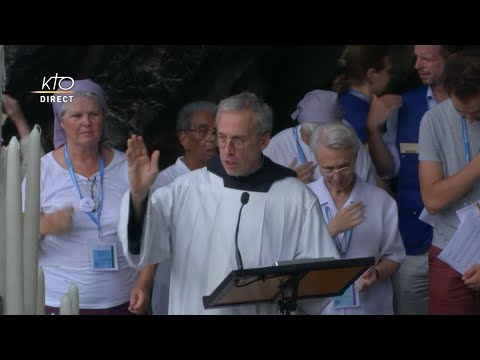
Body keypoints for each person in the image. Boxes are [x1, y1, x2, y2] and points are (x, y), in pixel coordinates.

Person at [117, 91, 340, 315]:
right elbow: (145, 248)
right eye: (221, 137)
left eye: (238, 139)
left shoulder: (294, 196)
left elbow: (317, 278)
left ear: (264, 140)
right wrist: (138, 196)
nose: (227, 149)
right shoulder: (186, 189)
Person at [31, 79, 155, 315]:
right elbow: (13, 231)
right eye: (76, 115)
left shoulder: (128, 166)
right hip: (58, 302)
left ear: (103, 118)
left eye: (94, 114)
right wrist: (43, 224)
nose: (86, 122)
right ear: (62, 123)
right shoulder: (42, 171)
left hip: (123, 300)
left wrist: (145, 282)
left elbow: (155, 230)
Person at [366, 45, 463, 315]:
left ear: (452, 58)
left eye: (428, 58)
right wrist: (373, 130)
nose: (418, 65)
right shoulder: (403, 104)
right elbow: (389, 169)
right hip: (413, 240)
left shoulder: (472, 104)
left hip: (463, 241)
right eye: (416, 57)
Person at [307, 121, 405, 314]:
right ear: (317, 161)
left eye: (344, 167)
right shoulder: (303, 199)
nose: (336, 176)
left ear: (355, 157)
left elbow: (394, 256)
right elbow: (291, 257)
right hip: (321, 307)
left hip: (369, 305)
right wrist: (331, 230)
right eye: (327, 169)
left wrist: (376, 272)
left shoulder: (380, 201)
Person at [419, 49, 480, 314]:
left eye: (477, 113)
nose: (468, 119)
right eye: (461, 111)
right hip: (451, 248)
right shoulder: (433, 120)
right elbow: (432, 200)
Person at [150, 100, 217, 315]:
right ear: (184, 139)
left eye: (217, 131)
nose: (212, 139)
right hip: (176, 286)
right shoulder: (165, 183)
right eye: (203, 130)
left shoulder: (229, 179)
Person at [263, 89, 377, 185]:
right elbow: (258, 197)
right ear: (304, 128)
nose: (321, 146)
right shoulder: (275, 147)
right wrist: (290, 186)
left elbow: (368, 184)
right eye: (316, 139)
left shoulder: (347, 138)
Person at [333, 45, 402, 192]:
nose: (391, 77)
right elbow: (380, 173)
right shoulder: (361, 114)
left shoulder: (337, 103)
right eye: (388, 71)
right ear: (371, 74)